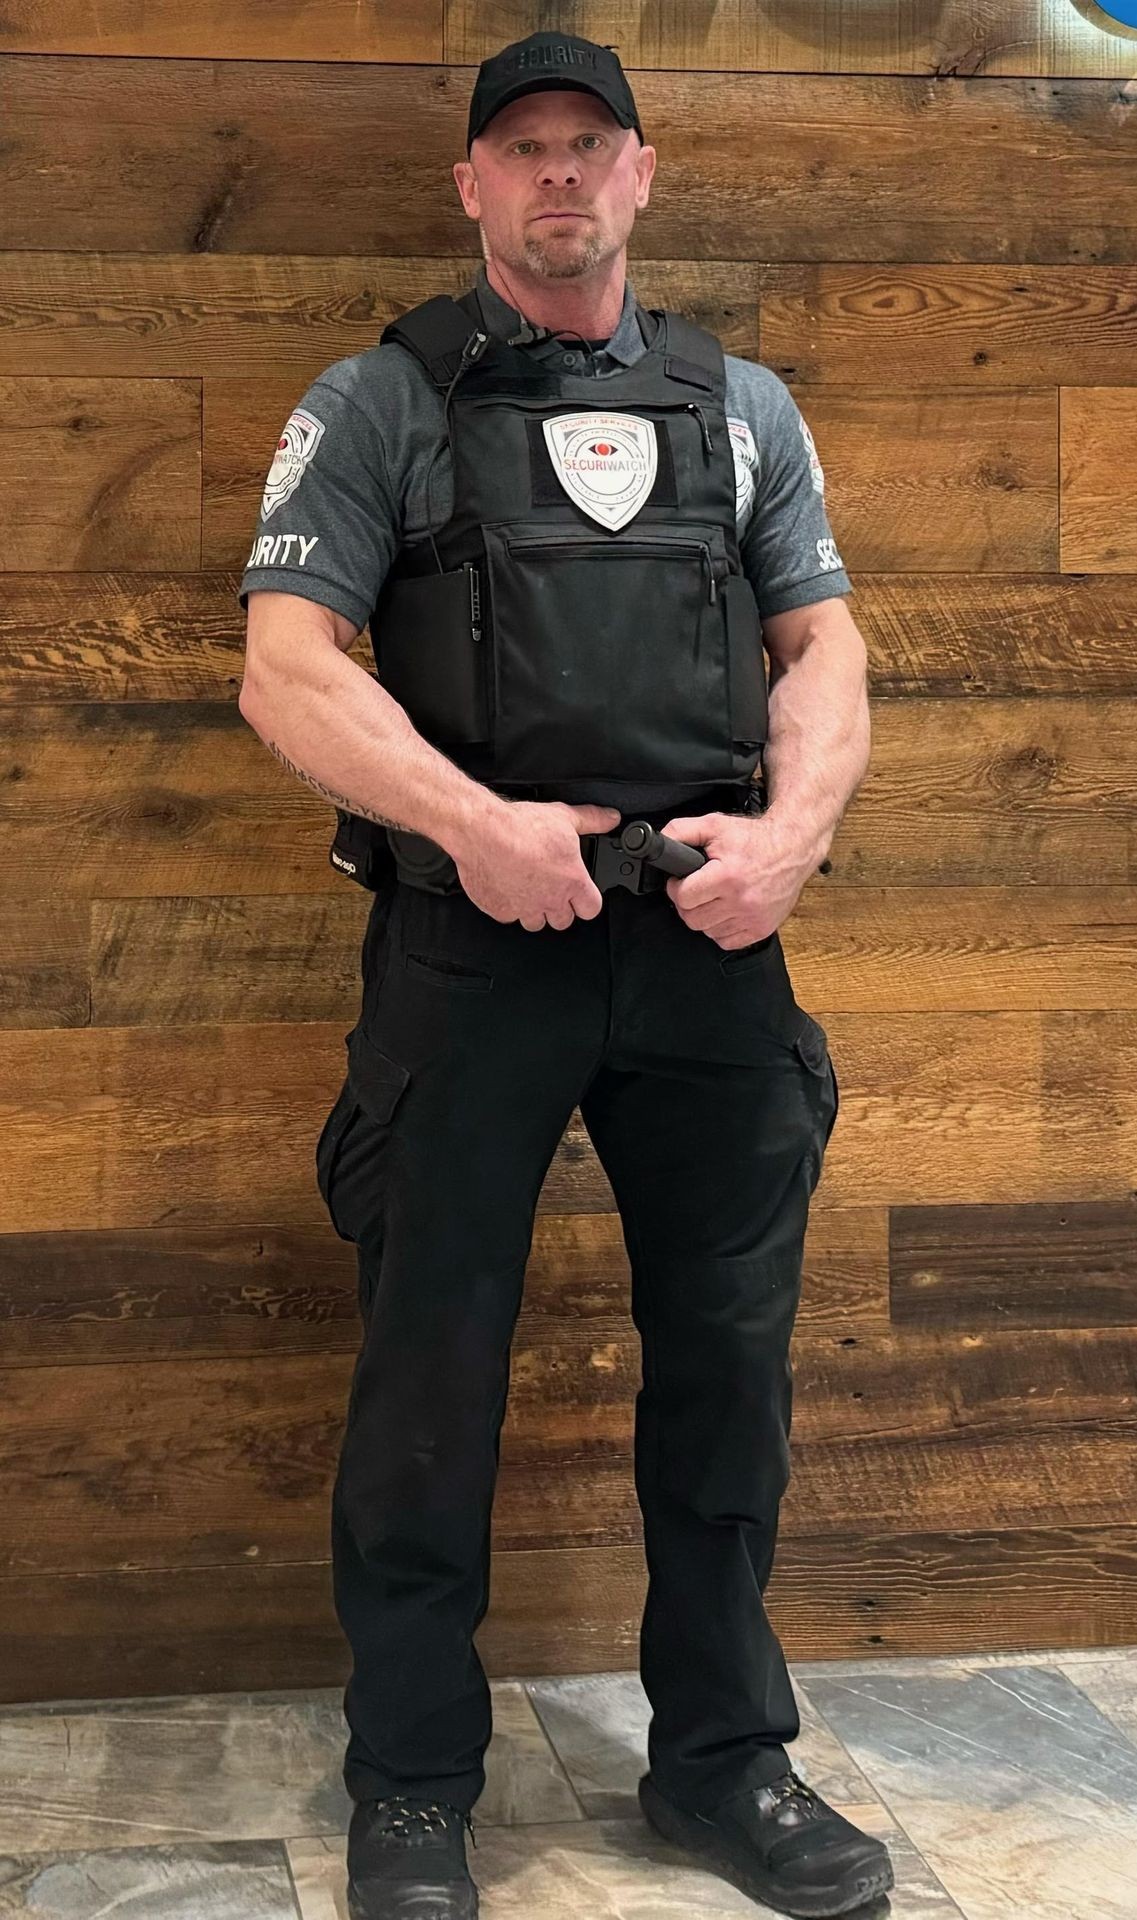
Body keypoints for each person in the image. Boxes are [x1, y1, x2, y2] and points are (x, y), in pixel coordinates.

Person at [236, 29, 887, 1920]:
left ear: (641, 173)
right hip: (473, 948)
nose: (555, 177)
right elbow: (288, 666)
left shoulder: (743, 405)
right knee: (426, 1374)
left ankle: (722, 1766)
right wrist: (467, 825)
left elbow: (824, 656)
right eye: (519, 149)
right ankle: (418, 1789)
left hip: (707, 940)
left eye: (587, 147)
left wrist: (791, 840)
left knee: (728, 1373)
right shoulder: (381, 400)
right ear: (469, 186)